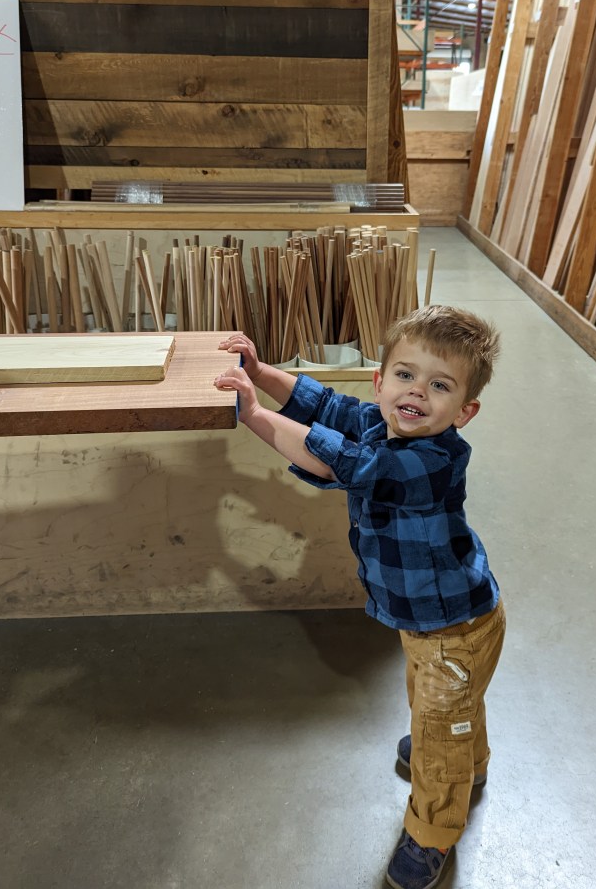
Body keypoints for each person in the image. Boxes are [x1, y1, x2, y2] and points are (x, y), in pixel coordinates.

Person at [215, 305, 506, 889]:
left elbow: (343, 462)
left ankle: (432, 833)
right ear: (380, 381)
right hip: (427, 620)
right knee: (442, 704)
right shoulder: (386, 422)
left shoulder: (427, 459)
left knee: (437, 736)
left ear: (464, 412)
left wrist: (255, 415)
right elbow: (329, 407)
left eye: (440, 386)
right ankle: (469, 761)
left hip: (453, 627)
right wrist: (263, 373)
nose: (416, 392)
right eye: (405, 374)